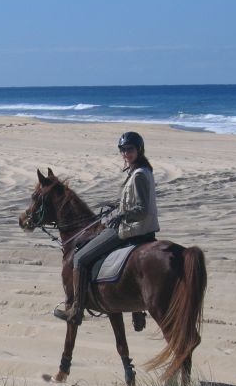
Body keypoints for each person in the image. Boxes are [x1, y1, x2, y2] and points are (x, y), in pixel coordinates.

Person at [57, 131, 160, 325]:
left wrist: (122, 214)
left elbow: (142, 209)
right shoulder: (143, 170)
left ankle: (76, 310)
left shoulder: (138, 175)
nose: (125, 154)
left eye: (129, 150)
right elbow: (134, 203)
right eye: (122, 150)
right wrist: (119, 207)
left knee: (79, 258)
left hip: (133, 229)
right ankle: (138, 310)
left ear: (139, 150)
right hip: (144, 228)